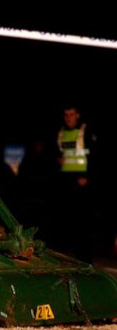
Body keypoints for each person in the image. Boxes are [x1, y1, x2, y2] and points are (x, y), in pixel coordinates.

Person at [53, 104, 98, 262]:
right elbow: (56, 154)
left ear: (77, 115)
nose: (68, 118)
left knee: (82, 223)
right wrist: (57, 160)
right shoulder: (61, 132)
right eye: (65, 115)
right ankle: (64, 259)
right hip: (65, 181)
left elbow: (95, 156)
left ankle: (86, 261)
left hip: (82, 183)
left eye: (71, 114)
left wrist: (87, 176)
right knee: (64, 222)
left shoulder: (86, 131)